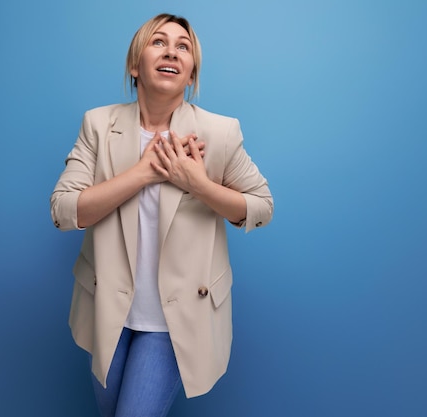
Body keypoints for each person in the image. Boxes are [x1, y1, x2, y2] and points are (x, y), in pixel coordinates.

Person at [50, 13, 273, 417]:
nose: (171, 50)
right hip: (107, 312)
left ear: (190, 76)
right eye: (158, 42)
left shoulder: (219, 133)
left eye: (183, 46)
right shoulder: (99, 125)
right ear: (135, 65)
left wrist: (198, 184)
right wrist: (142, 172)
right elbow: (64, 211)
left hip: (176, 320)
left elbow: (261, 206)